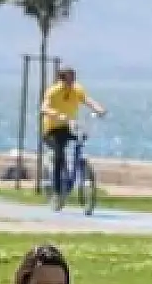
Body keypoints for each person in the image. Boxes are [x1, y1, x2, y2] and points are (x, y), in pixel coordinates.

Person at [40, 67, 106, 200]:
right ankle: (58, 191)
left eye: (73, 79)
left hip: (68, 127)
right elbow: (44, 108)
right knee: (59, 155)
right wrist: (57, 115)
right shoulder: (53, 91)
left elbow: (88, 100)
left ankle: (79, 168)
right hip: (52, 130)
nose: (71, 82)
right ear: (61, 79)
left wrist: (99, 109)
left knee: (80, 140)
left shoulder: (77, 90)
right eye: (68, 80)